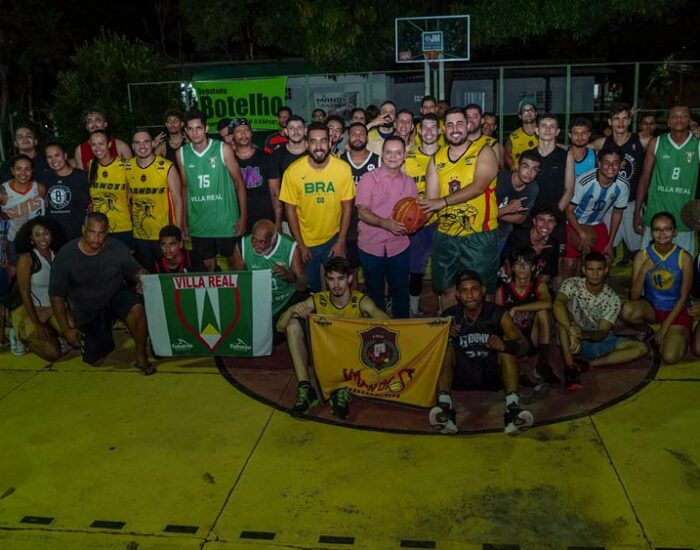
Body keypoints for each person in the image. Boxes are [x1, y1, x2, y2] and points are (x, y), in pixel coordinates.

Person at [276, 257, 388, 419]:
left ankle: (341, 389)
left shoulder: (360, 301)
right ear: (326, 280)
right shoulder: (319, 299)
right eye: (331, 279)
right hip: (325, 355)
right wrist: (292, 309)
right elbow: (280, 327)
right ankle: (306, 388)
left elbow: (386, 322)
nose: (336, 285)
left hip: (351, 359)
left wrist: (367, 323)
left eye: (340, 279)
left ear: (349, 279)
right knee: (292, 324)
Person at [429, 269, 534, 435]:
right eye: (464, 290)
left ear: (483, 290)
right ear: (457, 294)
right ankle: (445, 409)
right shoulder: (449, 316)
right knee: (444, 348)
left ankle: (512, 410)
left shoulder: (499, 314)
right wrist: (444, 337)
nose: (470, 295)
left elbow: (524, 345)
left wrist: (505, 345)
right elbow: (430, 353)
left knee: (506, 349)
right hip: (461, 375)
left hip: (492, 374)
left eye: (474, 289)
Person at [49, 212, 154, 374]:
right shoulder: (66, 256)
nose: (96, 239)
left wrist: (144, 278)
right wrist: (66, 330)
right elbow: (56, 296)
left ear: (107, 233)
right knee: (96, 360)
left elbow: (136, 271)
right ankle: (100, 335)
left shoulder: (117, 247)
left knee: (137, 307)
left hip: (114, 296)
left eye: (101, 233)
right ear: (83, 229)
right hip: (88, 308)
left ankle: (141, 355)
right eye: (92, 232)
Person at [420, 108, 500, 310]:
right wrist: (409, 221)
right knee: (447, 290)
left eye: (459, 124)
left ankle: (484, 337)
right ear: (444, 130)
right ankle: (452, 337)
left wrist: (443, 202)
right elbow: (431, 201)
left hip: (478, 235)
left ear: (468, 126)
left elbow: (478, 187)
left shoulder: (485, 151)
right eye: (449, 125)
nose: (455, 129)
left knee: (481, 291)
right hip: (446, 236)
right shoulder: (437, 159)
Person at [554, 252, 647, 391]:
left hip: (594, 337)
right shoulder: (571, 284)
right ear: (584, 270)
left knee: (641, 348)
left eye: (599, 269)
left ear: (606, 270)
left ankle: (590, 364)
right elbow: (558, 303)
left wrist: (582, 334)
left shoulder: (612, 299)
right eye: (591, 269)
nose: (595, 274)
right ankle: (571, 369)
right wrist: (571, 329)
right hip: (570, 336)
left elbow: (602, 333)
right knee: (562, 320)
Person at [279, 122, 354, 292]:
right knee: (312, 289)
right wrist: (301, 244)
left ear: (329, 143)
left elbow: (348, 207)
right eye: (313, 141)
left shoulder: (342, 169)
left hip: (333, 238)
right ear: (306, 144)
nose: (318, 146)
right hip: (306, 241)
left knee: (338, 286)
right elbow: (289, 210)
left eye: (322, 141)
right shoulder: (293, 171)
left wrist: (341, 241)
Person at [176, 109, 248, 271]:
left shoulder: (223, 149)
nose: (195, 133)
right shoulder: (181, 153)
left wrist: (243, 217)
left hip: (226, 222)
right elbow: (184, 187)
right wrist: (184, 220)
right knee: (207, 268)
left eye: (198, 128)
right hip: (199, 224)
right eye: (191, 129)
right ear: (186, 131)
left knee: (235, 263)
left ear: (206, 128)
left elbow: (239, 183)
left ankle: (238, 297)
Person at [356, 137, 417, 318]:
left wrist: (411, 226)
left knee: (400, 291)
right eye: (389, 152)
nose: (393, 156)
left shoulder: (409, 182)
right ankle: (378, 334)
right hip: (370, 245)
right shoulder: (368, 179)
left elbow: (413, 215)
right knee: (375, 292)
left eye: (398, 152)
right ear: (382, 154)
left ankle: (402, 333)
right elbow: (362, 212)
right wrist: (385, 223)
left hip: (399, 246)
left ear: (404, 156)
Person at [621, 212, 693, 365]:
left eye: (667, 229)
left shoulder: (684, 257)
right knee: (627, 310)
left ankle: (681, 334)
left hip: (677, 311)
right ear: (651, 232)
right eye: (657, 229)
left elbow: (683, 297)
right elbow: (633, 297)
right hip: (653, 309)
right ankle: (646, 330)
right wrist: (643, 271)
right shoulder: (643, 255)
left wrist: (664, 329)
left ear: (674, 232)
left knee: (669, 357)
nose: (662, 233)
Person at [634, 105, 699, 255]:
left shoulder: (697, 144)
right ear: (668, 122)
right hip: (655, 215)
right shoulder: (656, 143)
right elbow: (644, 179)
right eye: (674, 116)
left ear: (690, 121)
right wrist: (637, 212)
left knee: (682, 268)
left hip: (684, 220)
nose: (678, 119)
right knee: (648, 264)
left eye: (683, 116)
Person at [562, 146, 629, 277]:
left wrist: (610, 243)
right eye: (606, 162)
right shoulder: (584, 181)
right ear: (599, 163)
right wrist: (581, 233)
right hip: (573, 222)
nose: (610, 167)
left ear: (621, 165)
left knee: (606, 259)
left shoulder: (623, 185)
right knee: (570, 266)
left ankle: (594, 293)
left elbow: (617, 213)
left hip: (596, 223)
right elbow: (568, 211)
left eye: (615, 163)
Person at [495, 247, 557, 385]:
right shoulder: (503, 290)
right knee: (502, 322)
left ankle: (543, 364)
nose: (522, 267)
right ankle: (514, 368)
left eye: (527, 264)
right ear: (512, 268)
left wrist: (517, 308)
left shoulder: (539, 286)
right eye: (518, 263)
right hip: (514, 339)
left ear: (534, 267)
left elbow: (548, 303)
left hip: (533, 337)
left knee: (543, 312)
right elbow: (496, 322)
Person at [593, 104, 645, 263]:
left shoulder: (642, 140)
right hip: (609, 204)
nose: (620, 123)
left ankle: (637, 285)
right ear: (610, 121)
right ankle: (604, 285)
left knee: (637, 250)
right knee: (607, 249)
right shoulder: (602, 143)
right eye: (616, 118)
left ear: (630, 120)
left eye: (624, 118)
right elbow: (576, 148)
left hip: (631, 204)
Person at [125, 129, 184, 268]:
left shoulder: (166, 166)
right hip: (140, 234)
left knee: (167, 277)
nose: (142, 146)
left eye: (146, 141)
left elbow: (177, 198)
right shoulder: (127, 166)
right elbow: (127, 197)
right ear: (133, 146)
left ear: (152, 143)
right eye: (137, 143)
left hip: (164, 235)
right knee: (147, 277)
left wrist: (178, 229)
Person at [232, 218, 307, 325]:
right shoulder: (242, 246)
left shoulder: (289, 247)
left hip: (285, 301)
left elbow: (302, 285)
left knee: (296, 321)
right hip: (259, 303)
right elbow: (239, 283)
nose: (256, 246)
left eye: (262, 242)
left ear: (273, 239)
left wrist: (289, 276)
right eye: (254, 240)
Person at [11, 217, 67, 361]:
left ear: (52, 235)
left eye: (46, 233)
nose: (43, 238)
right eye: (38, 235)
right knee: (53, 354)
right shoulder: (27, 259)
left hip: (52, 309)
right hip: (31, 311)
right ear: (31, 239)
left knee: (75, 332)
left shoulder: (57, 256)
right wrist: (37, 324)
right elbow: (24, 294)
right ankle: (18, 334)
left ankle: (53, 332)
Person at [405, 113, 440, 316]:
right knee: (415, 269)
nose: (428, 132)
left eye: (432, 127)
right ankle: (413, 309)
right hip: (417, 223)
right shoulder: (408, 156)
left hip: (442, 221)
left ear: (439, 130)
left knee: (443, 270)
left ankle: (446, 309)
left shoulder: (448, 155)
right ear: (418, 131)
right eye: (424, 127)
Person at [531, 114, 575, 260]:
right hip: (532, 218)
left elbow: (569, 190)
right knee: (529, 260)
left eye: (552, 127)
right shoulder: (528, 156)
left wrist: (552, 218)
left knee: (556, 264)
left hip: (557, 217)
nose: (547, 130)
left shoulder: (566, 155)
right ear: (536, 130)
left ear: (557, 131)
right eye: (544, 126)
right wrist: (537, 219)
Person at [339, 122, 381, 274]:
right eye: (354, 134)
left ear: (367, 137)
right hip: (347, 219)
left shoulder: (378, 160)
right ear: (348, 137)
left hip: (371, 218)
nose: (358, 137)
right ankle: (353, 293)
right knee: (351, 265)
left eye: (361, 133)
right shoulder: (339, 160)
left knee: (374, 264)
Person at [87, 129, 133, 248]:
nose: (97, 148)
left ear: (109, 144)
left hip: (123, 227)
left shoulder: (125, 165)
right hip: (99, 230)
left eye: (101, 144)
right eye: (93, 144)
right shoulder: (91, 165)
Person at [0, 155, 47, 266]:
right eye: (19, 169)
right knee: (16, 280)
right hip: (14, 244)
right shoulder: (3, 192)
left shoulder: (39, 188)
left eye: (27, 169)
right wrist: (3, 250)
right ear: (12, 170)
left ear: (32, 171)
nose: (23, 173)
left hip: (39, 242)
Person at [230, 118, 275, 230]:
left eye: (246, 130)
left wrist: (278, 221)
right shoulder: (228, 161)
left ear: (251, 133)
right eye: (238, 131)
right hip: (236, 218)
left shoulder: (266, 158)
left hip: (265, 218)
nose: (243, 134)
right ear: (233, 136)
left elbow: (275, 193)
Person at [502, 205, 561, 287]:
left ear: (555, 224)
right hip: (512, 283)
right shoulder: (518, 235)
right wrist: (531, 252)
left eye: (550, 221)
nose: (546, 225)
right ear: (534, 221)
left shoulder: (553, 244)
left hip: (534, 287)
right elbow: (508, 266)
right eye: (541, 219)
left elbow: (546, 275)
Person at [267, 115, 307, 233]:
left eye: (299, 127)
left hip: (313, 216)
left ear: (305, 130)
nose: (295, 131)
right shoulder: (277, 155)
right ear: (285, 131)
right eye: (291, 128)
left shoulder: (314, 152)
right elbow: (275, 193)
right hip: (287, 218)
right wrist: (278, 221)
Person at [44, 142, 90, 241]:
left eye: (57, 155)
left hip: (78, 235)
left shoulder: (81, 177)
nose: (54, 160)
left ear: (65, 156)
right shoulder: (45, 177)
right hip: (53, 235)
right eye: (49, 157)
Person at [496, 148, 541, 248]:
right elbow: (481, 213)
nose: (530, 172)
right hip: (483, 232)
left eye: (534, 169)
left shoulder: (533, 188)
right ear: (517, 166)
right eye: (526, 167)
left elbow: (520, 219)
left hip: (503, 233)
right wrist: (508, 209)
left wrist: (495, 213)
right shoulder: (499, 179)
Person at [504, 98, 539, 170]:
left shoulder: (544, 133)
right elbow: (507, 156)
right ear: (520, 116)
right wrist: (514, 169)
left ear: (536, 113)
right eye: (525, 111)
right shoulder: (513, 137)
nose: (528, 113)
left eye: (531, 110)